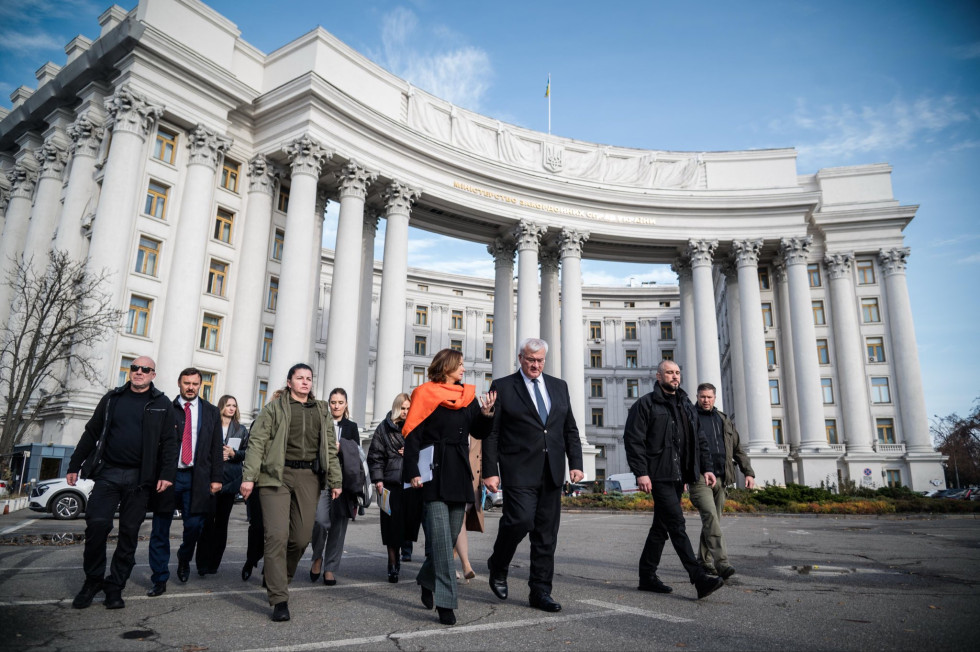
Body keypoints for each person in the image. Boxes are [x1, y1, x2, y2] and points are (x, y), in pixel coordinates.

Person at [66, 357, 177, 610]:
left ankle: (115, 586)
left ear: (153, 375)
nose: (139, 372)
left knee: (128, 533)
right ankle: (92, 580)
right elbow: (91, 432)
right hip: (109, 473)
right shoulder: (112, 399)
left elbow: (171, 442)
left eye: (145, 369)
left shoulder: (162, 404)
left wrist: (167, 474)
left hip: (140, 479)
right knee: (97, 524)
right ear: (130, 372)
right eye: (135, 368)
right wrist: (74, 465)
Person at [483, 337, 584, 613]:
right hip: (518, 470)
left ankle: (540, 591)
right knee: (520, 520)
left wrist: (576, 462)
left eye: (540, 360)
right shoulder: (503, 387)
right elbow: (492, 433)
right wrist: (490, 471)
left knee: (546, 536)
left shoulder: (559, 386)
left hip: (552, 472)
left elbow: (569, 428)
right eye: (531, 360)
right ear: (520, 358)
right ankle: (499, 564)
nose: (535, 365)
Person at [240, 363, 342, 622]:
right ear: (289, 382)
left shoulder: (321, 410)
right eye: (300, 378)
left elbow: (330, 447)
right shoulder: (274, 408)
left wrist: (336, 480)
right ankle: (279, 598)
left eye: (309, 378)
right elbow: (257, 443)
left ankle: (278, 576)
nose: (305, 382)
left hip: (309, 477)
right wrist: (249, 477)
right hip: (276, 476)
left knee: (301, 537)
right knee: (276, 535)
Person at [404, 349, 496, 626]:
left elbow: (477, 431)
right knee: (443, 543)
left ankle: (425, 578)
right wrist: (412, 472)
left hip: (458, 470)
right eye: (460, 364)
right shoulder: (424, 393)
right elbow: (413, 435)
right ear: (446, 367)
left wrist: (485, 413)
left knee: (452, 534)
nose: (464, 369)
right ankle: (447, 603)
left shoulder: (466, 395)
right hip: (431, 473)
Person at [623, 360, 725, 600]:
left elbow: (700, 439)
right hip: (658, 475)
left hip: (680, 476)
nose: (674, 376)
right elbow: (633, 440)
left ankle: (647, 576)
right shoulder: (645, 404)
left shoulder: (687, 406)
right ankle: (698, 578)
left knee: (661, 527)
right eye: (669, 372)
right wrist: (641, 472)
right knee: (677, 524)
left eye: (677, 372)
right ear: (658, 376)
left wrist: (706, 468)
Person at [146, 368, 222, 597]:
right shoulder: (167, 408)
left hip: (196, 478)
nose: (190, 387)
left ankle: (184, 557)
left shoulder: (210, 412)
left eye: (195, 384)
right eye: (186, 383)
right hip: (169, 477)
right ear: (179, 383)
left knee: (194, 526)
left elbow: (216, 447)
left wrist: (216, 477)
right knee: (160, 528)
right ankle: (159, 578)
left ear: (201, 385)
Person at [689, 383, 756, 579]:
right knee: (710, 516)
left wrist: (748, 472)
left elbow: (737, 449)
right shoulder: (690, 417)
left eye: (709, 397)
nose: (706, 400)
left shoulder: (723, 420)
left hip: (722, 477)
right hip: (699, 477)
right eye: (702, 397)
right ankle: (722, 562)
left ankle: (703, 560)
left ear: (715, 398)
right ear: (697, 397)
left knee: (713, 522)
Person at [308, 388, 362, 585]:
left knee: (338, 527)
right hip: (321, 479)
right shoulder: (321, 423)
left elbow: (356, 453)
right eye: (333, 402)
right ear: (329, 404)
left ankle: (330, 568)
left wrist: (343, 447)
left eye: (340, 402)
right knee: (320, 521)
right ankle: (317, 557)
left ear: (346, 404)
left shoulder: (351, 427)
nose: (336, 406)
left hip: (344, 482)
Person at [367, 392, 423, 583]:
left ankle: (402, 554)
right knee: (391, 526)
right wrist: (378, 480)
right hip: (390, 483)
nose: (406, 412)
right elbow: (375, 455)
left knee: (408, 523)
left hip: (411, 483)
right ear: (396, 408)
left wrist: (411, 451)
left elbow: (426, 450)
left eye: (409, 408)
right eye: (403, 408)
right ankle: (392, 563)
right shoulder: (384, 428)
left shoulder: (417, 427)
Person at [196, 394, 249, 576]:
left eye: (234, 405)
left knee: (222, 524)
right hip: (212, 479)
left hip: (231, 480)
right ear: (222, 407)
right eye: (228, 405)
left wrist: (234, 454)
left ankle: (214, 564)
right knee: (206, 522)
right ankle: (202, 562)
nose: (232, 408)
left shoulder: (241, 429)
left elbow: (248, 452)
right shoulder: (212, 425)